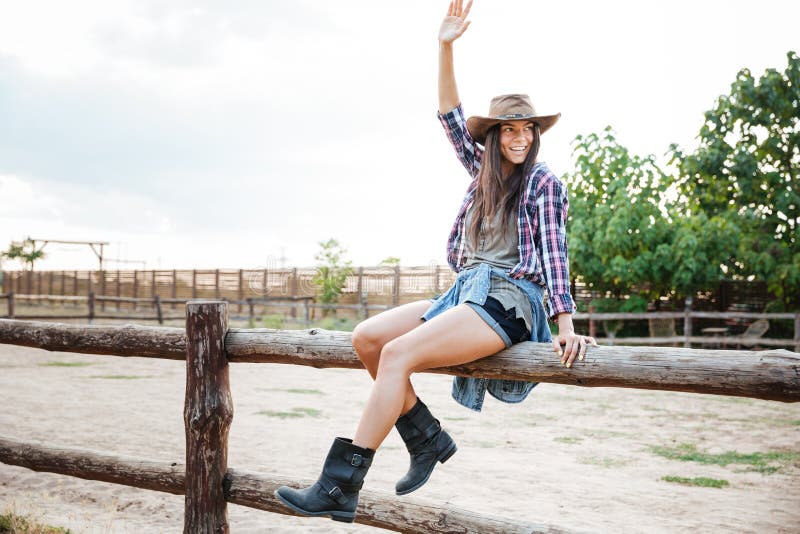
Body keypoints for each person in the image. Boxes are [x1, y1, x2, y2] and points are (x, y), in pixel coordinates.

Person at [275, 0, 597, 523]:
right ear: (494, 135)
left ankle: (338, 486)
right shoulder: (482, 174)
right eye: (510, 130)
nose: (520, 137)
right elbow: (449, 115)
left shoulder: (544, 183)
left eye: (528, 129)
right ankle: (426, 437)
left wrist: (566, 324)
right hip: (468, 291)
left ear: (536, 134)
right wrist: (444, 46)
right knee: (369, 339)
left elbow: (557, 254)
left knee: (399, 354)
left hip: (511, 300)